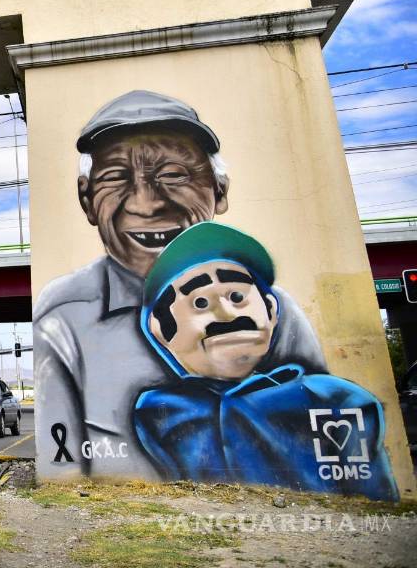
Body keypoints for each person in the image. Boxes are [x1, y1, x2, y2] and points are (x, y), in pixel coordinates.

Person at [34, 90, 327, 480]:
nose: (146, 204)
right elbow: (61, 475)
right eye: (115, 178)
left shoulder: (270, 309)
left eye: (174, 175)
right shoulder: (64, 318)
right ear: (87, 200)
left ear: (219, 190)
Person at [133, 222, 397, 500]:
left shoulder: (332, 399)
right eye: (200, 302)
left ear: (270, 310)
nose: (226, 313)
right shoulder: (157, 411)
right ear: (161, 328)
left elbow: (371, 493)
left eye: (237, 296)